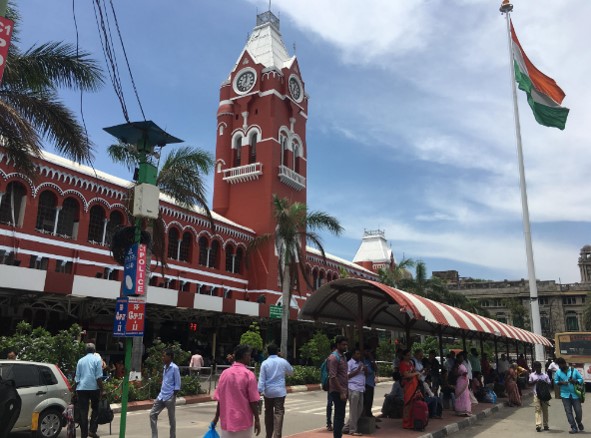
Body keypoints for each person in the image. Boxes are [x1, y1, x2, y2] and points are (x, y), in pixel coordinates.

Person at [213, 344, 261, 438]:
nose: (250, 358)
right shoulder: (249, 374)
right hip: (244, 422)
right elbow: (253, 401)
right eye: (249, 355)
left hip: (226, 421)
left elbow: (220, 399)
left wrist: (216, 418)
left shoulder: (224, 374)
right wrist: (257, 419)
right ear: (244, 355)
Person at [257, 344, 293, 438]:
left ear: (267, 352)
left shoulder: (265, 363)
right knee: (279, 412)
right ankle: (277, 435)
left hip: (268, 392)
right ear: (277, 352)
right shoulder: (282, 361)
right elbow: (291, 372)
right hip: (280, 392)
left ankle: (268, 435)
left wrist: (259, 390)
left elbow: (262, 379)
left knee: (268, 413)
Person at [74, 343, 104, 438]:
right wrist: (102, 390)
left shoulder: (80, 361)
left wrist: (74, 390)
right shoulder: (97, 359)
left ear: (85, 351)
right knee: (95, 409)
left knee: (83, 412)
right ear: (94, 351)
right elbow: (98, 377)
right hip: (94, 388)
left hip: (81, 388)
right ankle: (92, 430)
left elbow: (77, 378)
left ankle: (84, 435)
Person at [150, 349, 181, 438]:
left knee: (171, 419)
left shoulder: (174, 368)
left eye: (164, 356)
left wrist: (173, 395)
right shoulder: (164, 367)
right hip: (161, 396)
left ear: (170, 357)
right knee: (152, 414)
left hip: (169, 396)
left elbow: (178, 383)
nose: (162, 357)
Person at [554, 357, 584, 434]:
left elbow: (581, 379)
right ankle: (574, 427)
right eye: (558, 365)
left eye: (560, 365)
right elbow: (556, 381)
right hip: (564, 395)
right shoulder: (558, 372)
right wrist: (562, 383)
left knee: (578, 411)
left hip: (575, 395)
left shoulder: (573, 370)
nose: (559, 367)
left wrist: (575, 381)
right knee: (568, 412)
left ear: (564, 363)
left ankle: (579, 422)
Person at [327, 336, 349, 438]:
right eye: (343, 345)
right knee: (339, 416)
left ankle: (338, 435)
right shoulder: (334, 358)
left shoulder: (343, 357)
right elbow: (333, 376)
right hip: (337, 391)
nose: (345, 346)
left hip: (344, 389)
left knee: (341, 415)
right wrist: (341, 391)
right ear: (338, 345)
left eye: (346, 344)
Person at [343, 348, 365, 436]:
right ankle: (353, 430)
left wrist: (365, 370)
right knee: (353, 410)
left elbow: (364, 374)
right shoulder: (349, 364)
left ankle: (346, 427)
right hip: (353, 387)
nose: (359, 355)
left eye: (360, 354)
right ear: (353, 355)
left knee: (359, 409)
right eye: (357, 354)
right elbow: (347, 376)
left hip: (361, 388)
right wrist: (358, 370)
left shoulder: (361, 363)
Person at [399, 349, 420, 429]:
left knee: (413, 404)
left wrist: (418, 374)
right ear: (404, 356)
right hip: (408, 386)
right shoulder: (402, 364)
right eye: (407, 355)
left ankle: (411, 422)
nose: (409, 356)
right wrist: (416, 373)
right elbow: (406, 375)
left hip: (414, 385)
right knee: (407, 404)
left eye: (409, 355)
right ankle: (406, 423)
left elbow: (414, 371)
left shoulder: (411, 363)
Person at [529, 361, 551, 432]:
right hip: (536, 395)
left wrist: (544, 382)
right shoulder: (532, 375)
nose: (538, 369)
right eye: (537, 367)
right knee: (537, 409)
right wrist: (535, 381)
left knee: (545, 410)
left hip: (544, 395)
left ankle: (545, 425)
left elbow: (549, 384)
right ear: (535, 368)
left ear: (541, 367)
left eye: (539, 367)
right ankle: (538, 425)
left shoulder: (545, 375)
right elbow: (529, 383)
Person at [453, 353, 471, 417]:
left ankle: (465, 410)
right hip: (460, 381)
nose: (462, 358)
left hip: (465, 381)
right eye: (460, 357)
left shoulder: (463, 365)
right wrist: (461, 374)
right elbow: (454, 374)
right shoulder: (456, 365)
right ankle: (460, 410)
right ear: (458, 358)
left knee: (465, 395)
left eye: (462, 357)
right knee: (460, 395)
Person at [362, 348, 377, 419]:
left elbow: (375, 369)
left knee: (370, 401)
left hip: (371, 383)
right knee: (366, 402)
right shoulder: (363, 361)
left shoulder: (370, 361)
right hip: (366, 384)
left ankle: (369, 415)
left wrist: (371, 358)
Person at [326, 342, 337, 432]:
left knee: (335, 404)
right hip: (331, 385)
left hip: (334, 384)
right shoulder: (331, 359)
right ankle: (329, 423)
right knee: (330, 404)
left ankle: (335, 423)